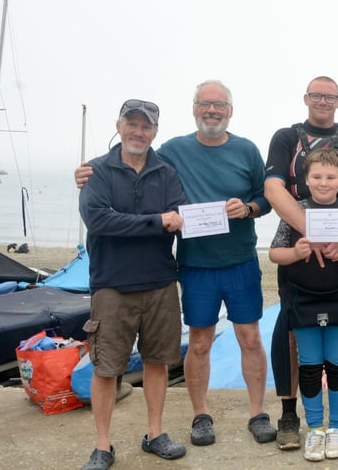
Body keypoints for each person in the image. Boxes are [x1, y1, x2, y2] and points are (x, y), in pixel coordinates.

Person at [75, 80, 276, 446]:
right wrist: (87, 174)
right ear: (194, 108)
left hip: (241, 260)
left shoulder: (247, 149)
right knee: (199, 343)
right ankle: (201, 416)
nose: (211, 110)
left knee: (250, 337)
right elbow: (131, 161)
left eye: (219, 105)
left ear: (230, 110)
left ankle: (257, 413)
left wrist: (249, 208)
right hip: (195, 263)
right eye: (204, 104)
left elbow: (267, 196)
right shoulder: (172, 151)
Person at [265, 75, 338, 448]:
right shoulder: (286, 137)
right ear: (306, 98)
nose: (322, 101)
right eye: (317, 95)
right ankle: (288, 414)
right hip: (301, 244)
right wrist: (309, 231)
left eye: (329, 96)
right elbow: (273, 188)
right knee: (294, 339)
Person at [79, 100, 187, 469]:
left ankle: (155, 434)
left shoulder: (167, 172)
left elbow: (180, 216)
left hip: (160, 283)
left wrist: (154, 221)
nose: (138, 132)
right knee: (106, 368)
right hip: (111, 286)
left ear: (155, 132)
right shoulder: (96, 171)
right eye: (132, 124)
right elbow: (99, 221)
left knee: (158, 363)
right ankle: (102, 446)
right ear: (119, 126)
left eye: (146, 126)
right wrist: (156, 222)